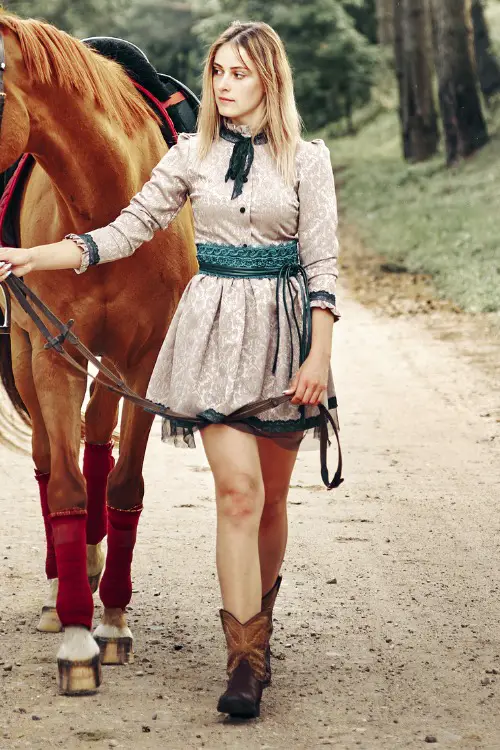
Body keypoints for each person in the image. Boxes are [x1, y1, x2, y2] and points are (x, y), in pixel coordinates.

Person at [0, 21, 341, 719]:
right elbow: (125, 230)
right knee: (237, 496)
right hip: (216, 336)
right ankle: (239, 663)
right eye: (217, 72)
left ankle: (260, 638)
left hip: (282, 339)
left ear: (271, 81)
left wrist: (320, 354)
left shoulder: (309, 160)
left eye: (239, 73)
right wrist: (37, 257)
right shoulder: (190, 156)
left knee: (271, 502)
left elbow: (323, 267)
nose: (223, 85)